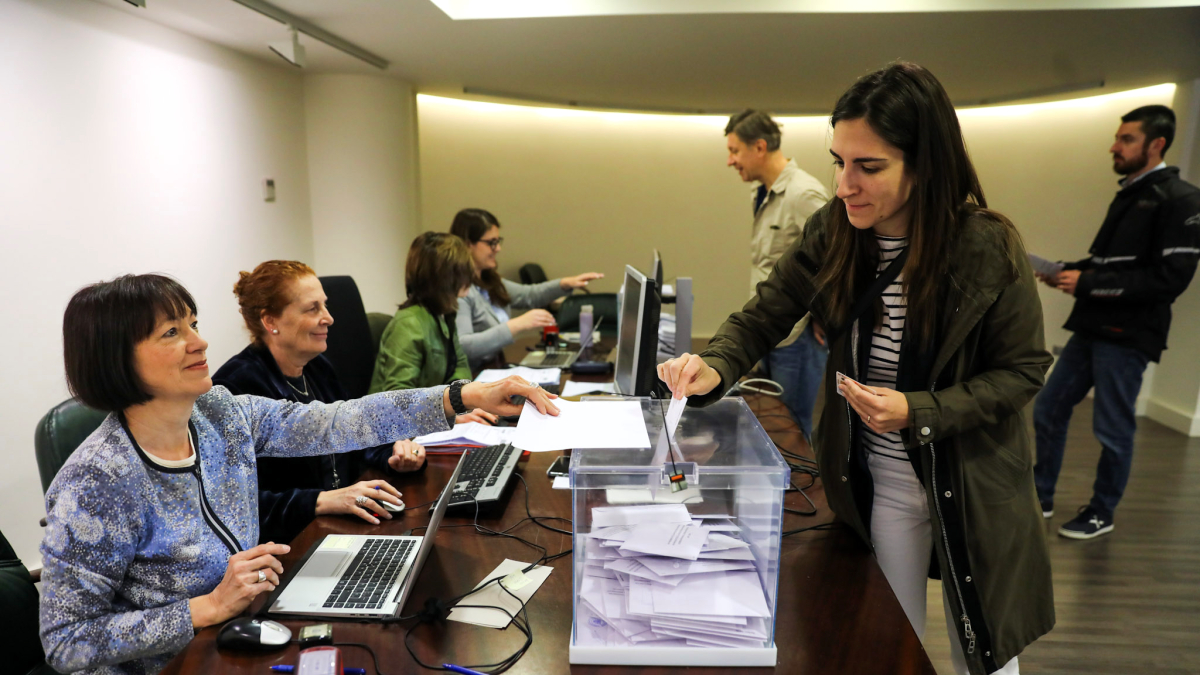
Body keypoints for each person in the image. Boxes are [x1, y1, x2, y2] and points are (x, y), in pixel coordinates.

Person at [659, 63, 1053, 675]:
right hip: (883, 486)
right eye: (840, 161)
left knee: (987, 652)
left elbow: (1024, 371)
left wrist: (915, 410)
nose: (845, 185)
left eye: (869, 167)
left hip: (973, 487)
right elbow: (764, 314)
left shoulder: (987, 246)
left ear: (926, 164)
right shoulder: (834, 231)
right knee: (887, 647)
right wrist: (714, 365)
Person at [39, 274, 557, 674]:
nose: (198, 342)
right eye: (172, 332)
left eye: (193, 324)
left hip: (246, 629)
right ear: (116, 359)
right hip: (182, 662)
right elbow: (66, 641)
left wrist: (459, 396)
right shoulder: (97, 482)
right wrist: (204, 607)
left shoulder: (220, 414)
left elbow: (335, 421)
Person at [212, 260, 478, 545]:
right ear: (270, 321)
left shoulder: (317, 367)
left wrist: (393, 454)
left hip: (342, 523)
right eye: (312, 308)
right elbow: (231, 506)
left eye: (324, 305)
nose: (329, 318)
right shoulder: (234, 389)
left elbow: (351, 434)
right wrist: (321, 501)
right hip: (286, 546)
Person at [1032, 105, 1200, 540]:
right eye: (1118, 137)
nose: (1115, 145)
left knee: (1112, 428)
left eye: (1126, 139)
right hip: (1091, 329)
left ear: (1156, 144)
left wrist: (1087, 283)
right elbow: (1109, 264)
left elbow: (1169, 280)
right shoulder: (1129, 194)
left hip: (1128, 338)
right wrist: (1067, 271)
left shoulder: (1182, 200)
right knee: (1048, 410)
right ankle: (1041, 494)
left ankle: (1101, 512)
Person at [725, 109, 831, 439]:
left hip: (796, 336)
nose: (730, 161)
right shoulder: (763, 192)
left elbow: (838, 258)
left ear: (759, 147)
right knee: (769, 424)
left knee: (792, 430)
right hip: (770, 331)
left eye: (734, 150)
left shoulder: (803, 194)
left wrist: (821, 316)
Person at [450, 208, 604, 372]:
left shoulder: (489, 280)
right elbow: (464, 346)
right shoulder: (460, 290)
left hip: (496, 366)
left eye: (498, 241)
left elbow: (528, 295)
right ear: (467, 244)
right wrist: (517, 325)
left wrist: (565, 284)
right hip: (474, 376)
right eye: (491, 243)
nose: (498, 249)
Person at [370, 233, 476, 392]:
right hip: (393, 416)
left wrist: (460, 402)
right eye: (463, 272)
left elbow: (460, 366)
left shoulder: (444, 314)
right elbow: (398, 399)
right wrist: (451, 409)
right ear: (444, 278)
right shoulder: (408, 324)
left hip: (433, 413)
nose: (470, 278)